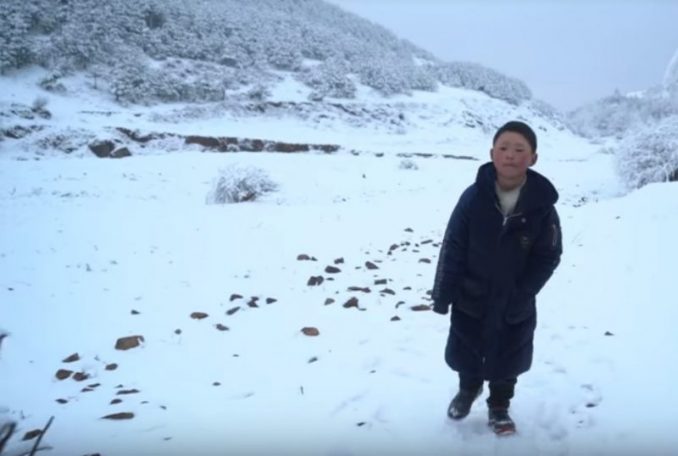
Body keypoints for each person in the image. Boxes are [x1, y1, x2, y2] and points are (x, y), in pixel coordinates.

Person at [431, 120, 562, 435]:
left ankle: (499, 406)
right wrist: (443, 293)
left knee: (509, 357)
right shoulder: (473, 198)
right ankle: (468, 390)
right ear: (492, 153)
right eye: (503, 148)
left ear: (533, 158)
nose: (510, 156)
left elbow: (549, 255)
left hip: (515, 298)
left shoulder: (542, 206)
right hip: (470, 294)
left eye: (520, 149)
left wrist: (524, 291)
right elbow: (453, 246)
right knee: (467, 349)